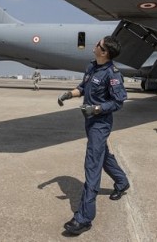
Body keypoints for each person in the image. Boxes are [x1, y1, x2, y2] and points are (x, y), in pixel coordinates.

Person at [56, 36, 129, 235]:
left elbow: (118, 102)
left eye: (98, 44)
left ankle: (84, 218)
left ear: (104, 52)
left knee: (92, 164)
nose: (95, 45)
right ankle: (122, 182)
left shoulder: (112, 74)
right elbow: (83, 87)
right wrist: (68, 94)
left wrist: (96, 108)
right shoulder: (91, 67)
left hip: (100, 124)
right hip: (89, 121)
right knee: (102, 156)